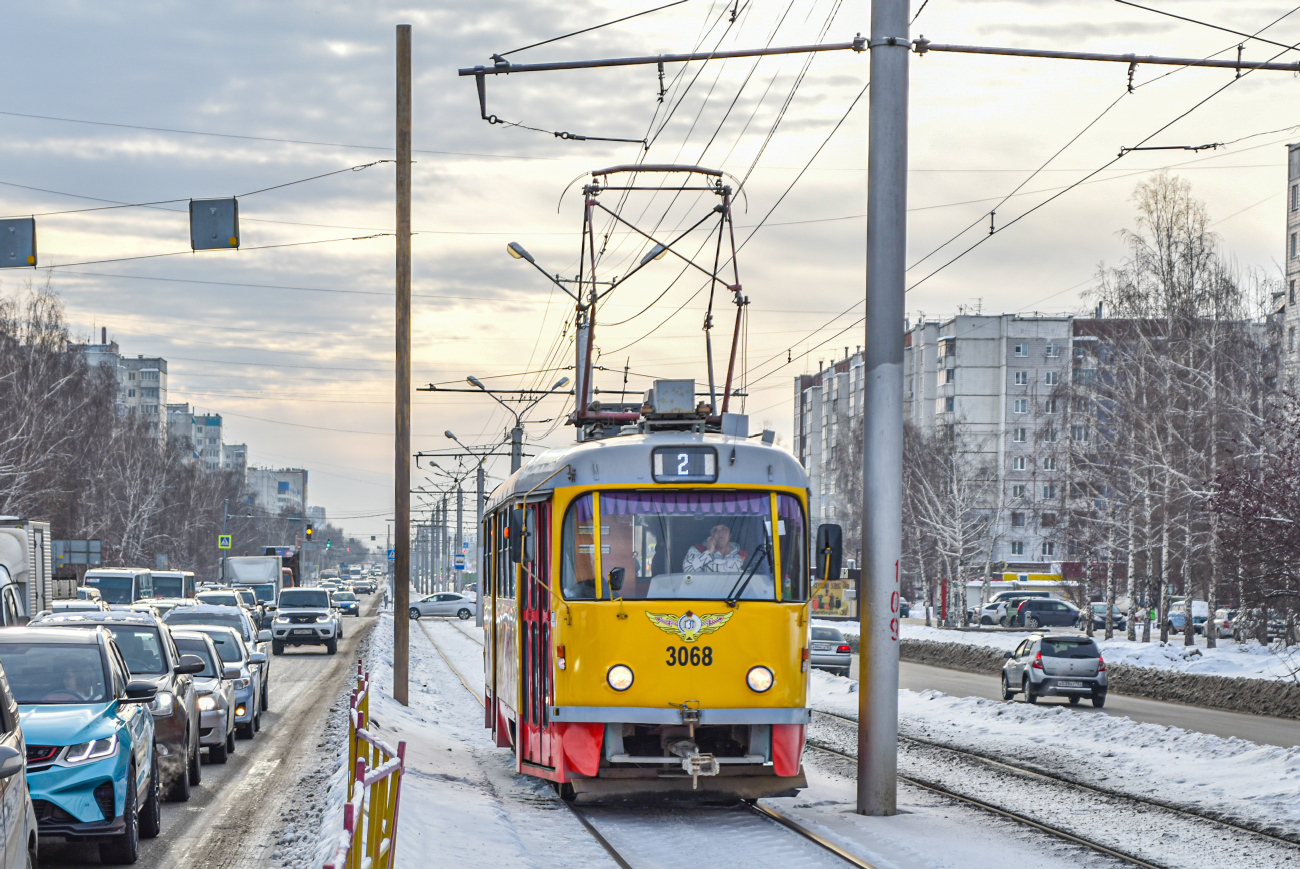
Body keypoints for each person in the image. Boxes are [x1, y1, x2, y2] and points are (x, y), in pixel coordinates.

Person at [682, 524, 746, 573]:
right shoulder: (697, 550)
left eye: (724, 529)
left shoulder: (742, 554)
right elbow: (687, 571)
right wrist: (708, 552)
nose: (720, 533)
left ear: (730, 535)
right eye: (715, 530)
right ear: (710, 535)